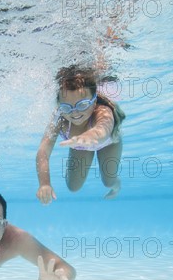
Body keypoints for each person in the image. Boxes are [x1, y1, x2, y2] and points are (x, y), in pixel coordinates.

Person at [36, 65, 126, 202]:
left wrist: (89, 137)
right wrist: (44, 183)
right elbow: (43, 152)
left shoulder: (102, 110)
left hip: (108, 143)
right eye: (66, 107)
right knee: (73, 187)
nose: (75, 112)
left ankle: (116, 185)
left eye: (82, 104)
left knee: (108, 181)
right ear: (59, 105)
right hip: (80, 145)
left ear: (94, 100)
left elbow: (103, 128)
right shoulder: (59, 118)